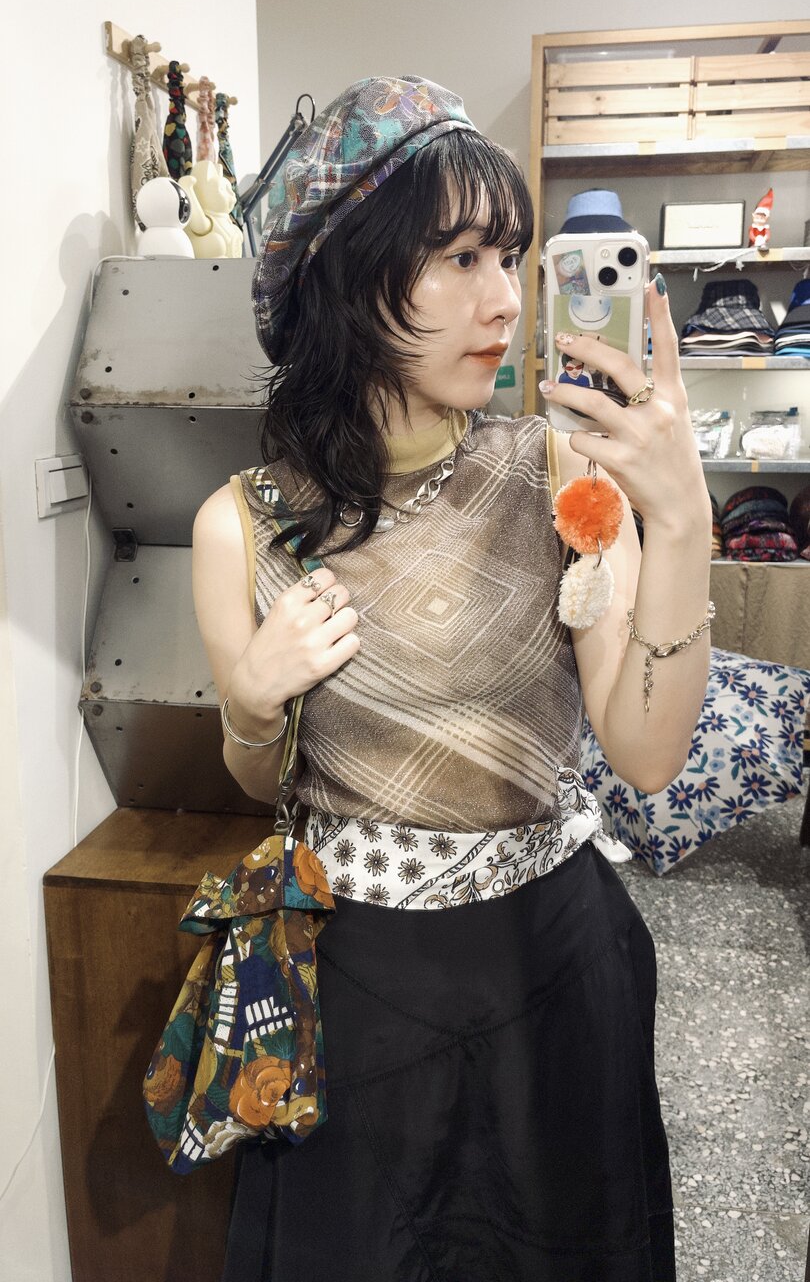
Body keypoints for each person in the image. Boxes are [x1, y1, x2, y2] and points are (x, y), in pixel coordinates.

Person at [192, 75, 713, 1282]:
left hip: (556, 965)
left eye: (511, 257)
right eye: (460, 257)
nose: (505, 299)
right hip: (359, 986)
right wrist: (255, 698)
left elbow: (645, 754)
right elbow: (255, 778)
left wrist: (682, 523)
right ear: (347, 273)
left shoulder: (562, 475)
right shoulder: (246, 527)